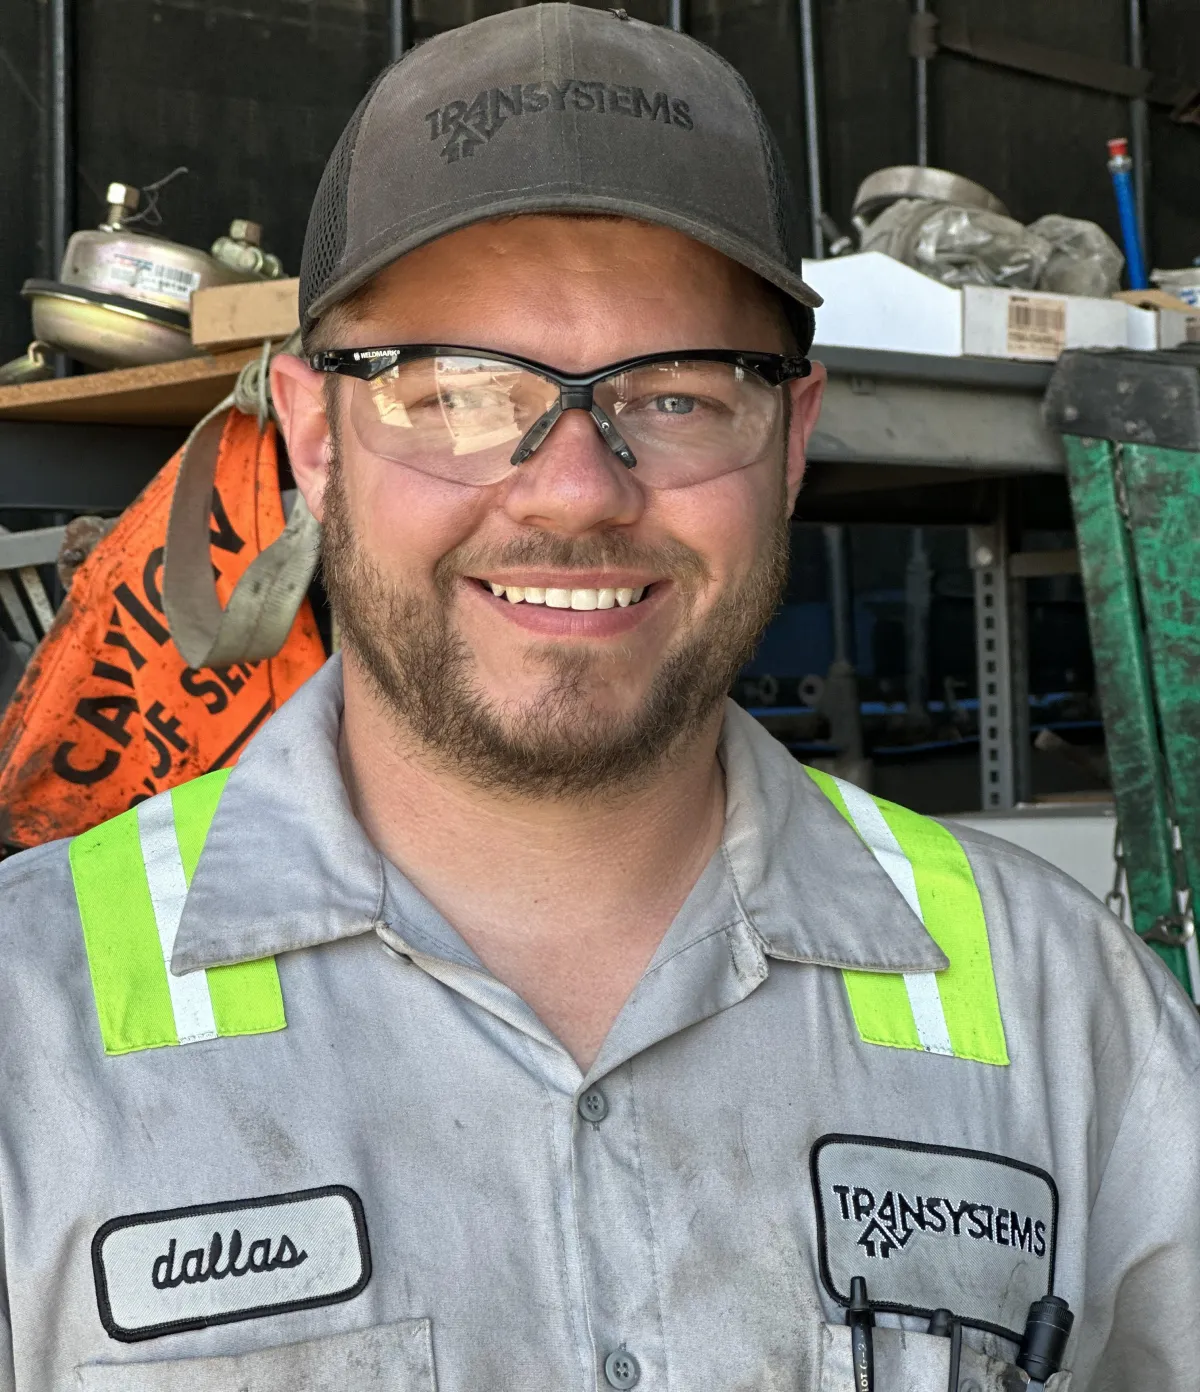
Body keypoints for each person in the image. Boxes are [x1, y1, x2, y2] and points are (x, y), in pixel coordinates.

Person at [1, 6, 1198, 1390]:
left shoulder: (1067, 1010)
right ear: (316, 438)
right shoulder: (34, 1029)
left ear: (793, 440)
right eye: (458, 387)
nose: (575, 488)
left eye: (680, 393)